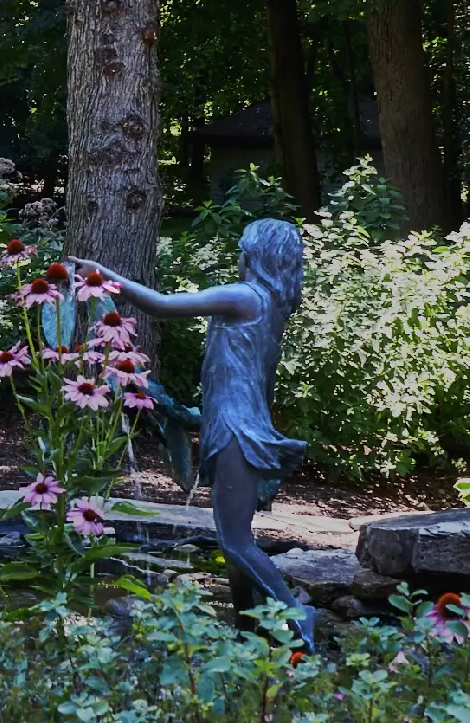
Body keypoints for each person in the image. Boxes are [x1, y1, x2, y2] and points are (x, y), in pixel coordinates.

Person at [70, 218, 315, 648]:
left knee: (235, 542)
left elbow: (163, 304)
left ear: (256, 257)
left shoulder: (245, 297)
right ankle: (247, 631)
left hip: (237, 430)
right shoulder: (270, 307)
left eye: (243, 248)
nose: (238, 256)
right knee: (234, 538)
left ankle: (299, 617)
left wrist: (106, 277)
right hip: (232, 425)